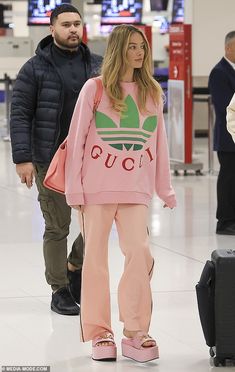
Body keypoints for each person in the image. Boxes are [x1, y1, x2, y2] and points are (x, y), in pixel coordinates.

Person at [64, 24, 176, 363]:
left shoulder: (152, 92)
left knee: (139, 255)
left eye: (141, 46)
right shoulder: (94, 89)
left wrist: (165, 188)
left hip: (135, 190)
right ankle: (100, 333)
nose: (139, 53)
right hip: (94, 190)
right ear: (117, 51)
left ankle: (136, 330)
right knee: (95, 261)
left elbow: (159, 143)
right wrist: (74, 189)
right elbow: (77, 139)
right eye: (131, 47)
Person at [10, 4, 102, 316]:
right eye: (66, 24)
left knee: (97, 224)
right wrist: (22, 158)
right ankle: (59, 288)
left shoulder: (97, 65)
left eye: (77, 24)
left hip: (93, 159)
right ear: (53, 29)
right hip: (50, 160)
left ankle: (75, 263)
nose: (73, 29)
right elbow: (20, 113)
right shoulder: (34, 68)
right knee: (57, 225)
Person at [208, 31, 235, 235]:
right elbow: (225, 106)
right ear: (228, 48)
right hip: (228, 137)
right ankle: (224, 221)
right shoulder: (220, 72)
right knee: (227, 179)